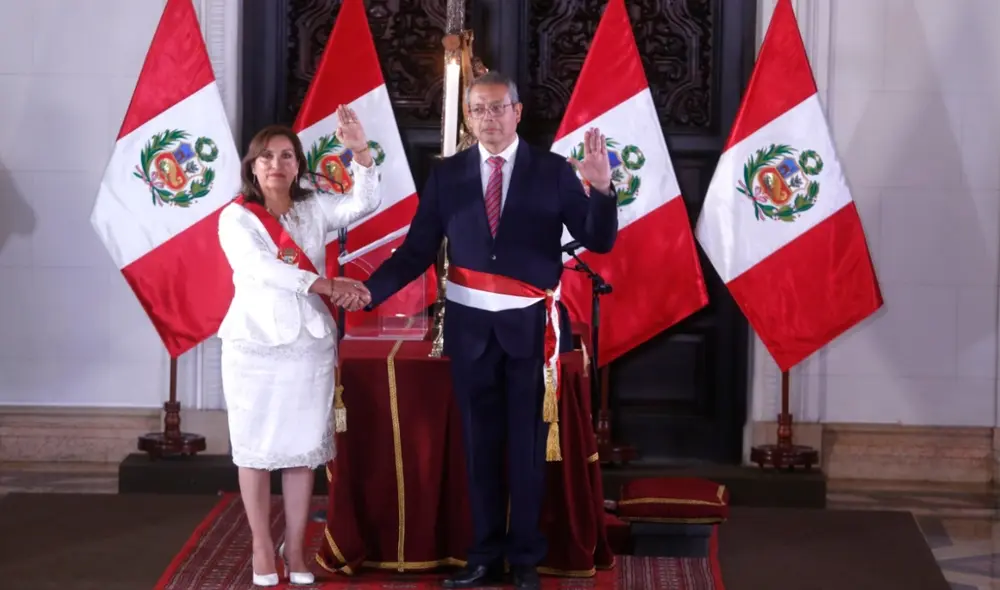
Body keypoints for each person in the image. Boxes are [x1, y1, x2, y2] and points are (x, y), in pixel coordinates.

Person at [357, 71, 618, 589]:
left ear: (518, 112)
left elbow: (598, 239)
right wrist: (370, 291)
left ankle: (524, 559)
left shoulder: (552, 171)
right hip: (471, 332)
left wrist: (602, 188)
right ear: (469, 116)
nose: (488, 118)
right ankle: (482, 556)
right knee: (479, 447)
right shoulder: (448, 174)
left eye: (498, 108)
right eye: (478, 109)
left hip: (531, 332)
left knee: (526, 448)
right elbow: (417, 249)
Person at [216, 110, 377, 587]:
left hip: (308, 344)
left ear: (299, 165)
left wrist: (361, 152)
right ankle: (262, 546)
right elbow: (263, 269)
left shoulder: (313, 207)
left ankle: (297, 546)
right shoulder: (235, 217)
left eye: (287, 156)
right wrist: (326, 284)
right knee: (256, 449)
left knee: (303, 450)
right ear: (252, 166)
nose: (277, 164)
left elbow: (364, 202)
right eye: (267, 156)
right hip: (255, 343)